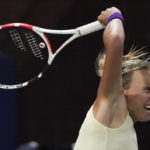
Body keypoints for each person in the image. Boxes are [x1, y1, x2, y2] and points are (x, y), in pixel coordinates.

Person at [73, 6, 150, 150]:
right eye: (147, 89)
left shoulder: (126, 124)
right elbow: (115, 39)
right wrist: (114, 17)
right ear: (122, 88)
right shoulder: (113, 106)